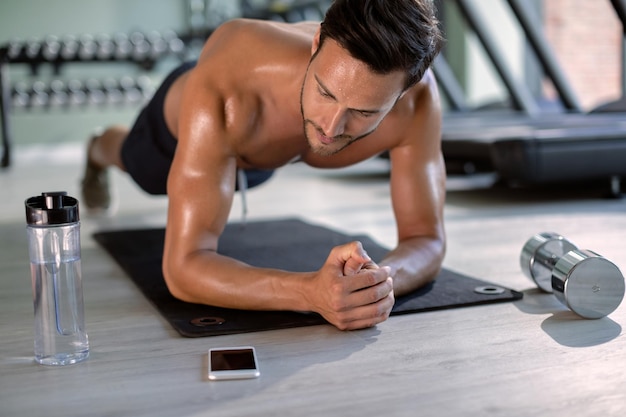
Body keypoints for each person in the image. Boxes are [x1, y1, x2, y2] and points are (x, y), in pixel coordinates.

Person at [81, 0, 446, 331]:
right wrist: (309, 293)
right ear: (317, 42)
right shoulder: (233, 80)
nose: (331, 127)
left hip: (260, 154)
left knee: (254, 166)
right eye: (325, 91)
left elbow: (425, 238)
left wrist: (378, 282)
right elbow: (183, 268)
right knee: (137, 166)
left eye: (363, 112)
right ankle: (99, 145)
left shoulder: (419, 103)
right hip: (186, 125)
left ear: (404, 91)